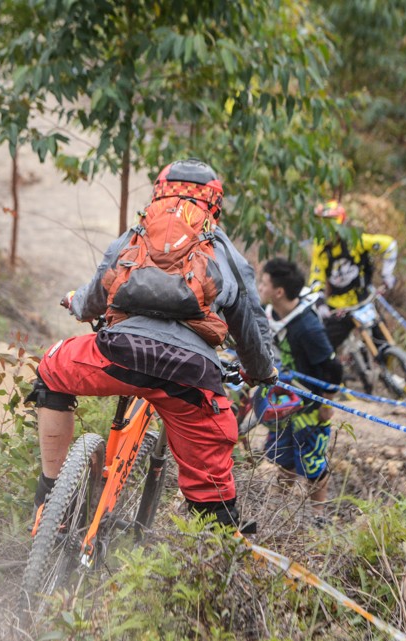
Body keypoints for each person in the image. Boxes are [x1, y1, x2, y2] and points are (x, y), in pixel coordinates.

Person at [26, 159, 278, 530]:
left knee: (52, 373)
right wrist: (262, 370)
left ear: (159, 191)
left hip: (118, 354)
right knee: (212, 489)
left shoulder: (136, 234)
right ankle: (217, 549)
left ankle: (51, 497)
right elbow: (250, 324)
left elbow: (96, 293)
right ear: (215, 202)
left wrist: (74, 301)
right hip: (189, 377)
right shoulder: (225, 251)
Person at [257, 258, 343, 519]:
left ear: (279, 291)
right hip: (285, 398)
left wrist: (327, 404)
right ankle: (279, 510)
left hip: (310, 404)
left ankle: (319, 516)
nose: (259, 286)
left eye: (264, 282)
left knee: (312, 461)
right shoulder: (272, 315)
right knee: (284, 455)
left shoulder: (307, 327)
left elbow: (335, 369)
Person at [307, 200, 398, 351]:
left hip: (364, 299)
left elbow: (389, 245)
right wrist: (320, 301)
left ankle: (393, 370)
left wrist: (387, 275)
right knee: (324, 349)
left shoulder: (354, 240)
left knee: (384, 342)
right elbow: (316, 277)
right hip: (340, 308)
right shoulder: (320, 247)